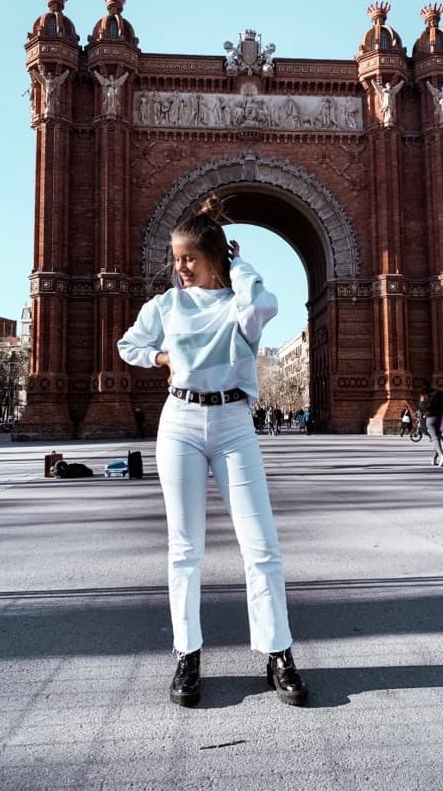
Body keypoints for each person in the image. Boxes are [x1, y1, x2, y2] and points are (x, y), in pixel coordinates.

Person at [117, 195, 307, 708]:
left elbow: (265, 304)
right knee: (185, 548)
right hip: (178, 420)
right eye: (175, 258)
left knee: (261, 543)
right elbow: (128, 345)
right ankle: (187, 653)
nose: (178, 267)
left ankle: (278, 651)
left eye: (188, 258)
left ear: (216, 259)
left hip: (232, 421)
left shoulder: (241, 308)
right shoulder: (165, 305)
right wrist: (159, 356)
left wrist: (238, 262)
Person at [419, 383, 443, 466]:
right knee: (438, 438)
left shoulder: (425, 395)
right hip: (441, 418)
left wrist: (421, 402)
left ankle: (442, 456)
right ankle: (434, 458)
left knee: (435, 438)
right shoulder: (439, 393)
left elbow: (424, 407)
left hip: (431, 418)